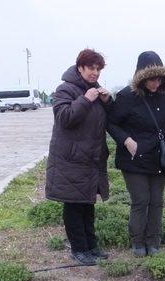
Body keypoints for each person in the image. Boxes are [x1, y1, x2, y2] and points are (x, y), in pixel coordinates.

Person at [107, 51, 165, 257]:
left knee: (156, 200)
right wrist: (126, 140)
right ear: (141, 76)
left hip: (158, 158)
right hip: (134, 159)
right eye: (151, 79)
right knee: (141, 200)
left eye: (159, 79)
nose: (156, 83)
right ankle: (138, 241)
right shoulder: (126, 97)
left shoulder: (164, 96)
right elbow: (111, 122)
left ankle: (154, 240)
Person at [45, 49, 112, 265]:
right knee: (74, 205)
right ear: (80, 67)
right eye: (91, 68)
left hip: (90, 160)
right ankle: (78, 249)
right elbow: (64, 118)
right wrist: (85, 100)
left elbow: (102, 120)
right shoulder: (65, 89)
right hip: (71, 160)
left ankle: (91, 246)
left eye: (98, 69)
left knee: (87, 204)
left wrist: (107, 101)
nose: (95, 73)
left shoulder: (94, 90)